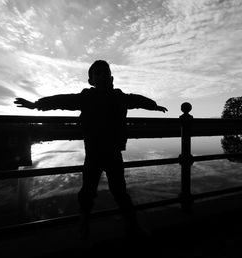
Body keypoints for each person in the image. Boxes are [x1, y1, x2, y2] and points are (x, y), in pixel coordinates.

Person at [14, 60, 168, 239]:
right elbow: (62, 100)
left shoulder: (119, 97)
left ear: (111, 78)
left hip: (113, 153)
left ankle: (131, 225)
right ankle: (85, 222)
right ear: (91, 80)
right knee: (88, 192)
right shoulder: (86, 97)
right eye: (98, 74)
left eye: (105, 73)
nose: (102, 76)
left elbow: (137, 100)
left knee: (119, 192)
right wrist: (36, 104)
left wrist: (153, 105)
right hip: (94, 154)